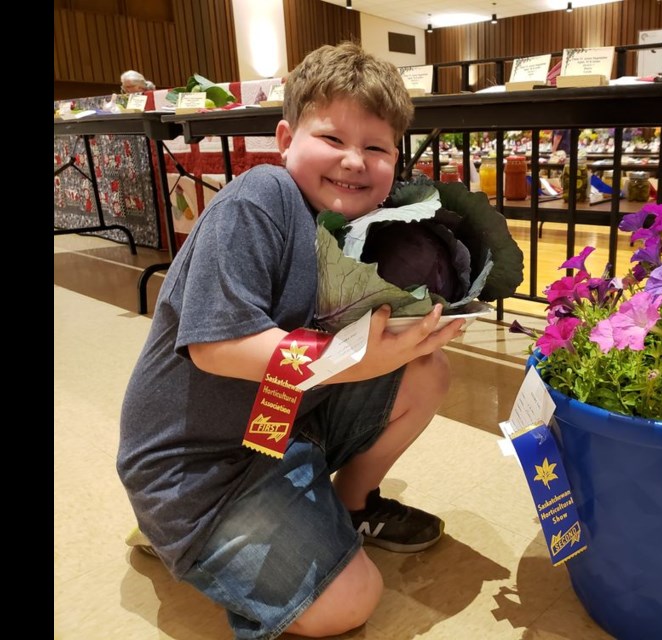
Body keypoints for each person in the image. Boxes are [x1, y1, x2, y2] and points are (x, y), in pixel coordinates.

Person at [117, 41, 466, 639]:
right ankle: (178, 535)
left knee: (427, 371)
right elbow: (218, 349)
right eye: (333, 139)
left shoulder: (354, 230)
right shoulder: (260, 199)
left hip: (279, 431)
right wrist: (353, 361)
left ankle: (353, 509)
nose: (354, 161)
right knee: (351, 602)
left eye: (377, 147)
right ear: (285, 140)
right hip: (200, 471)